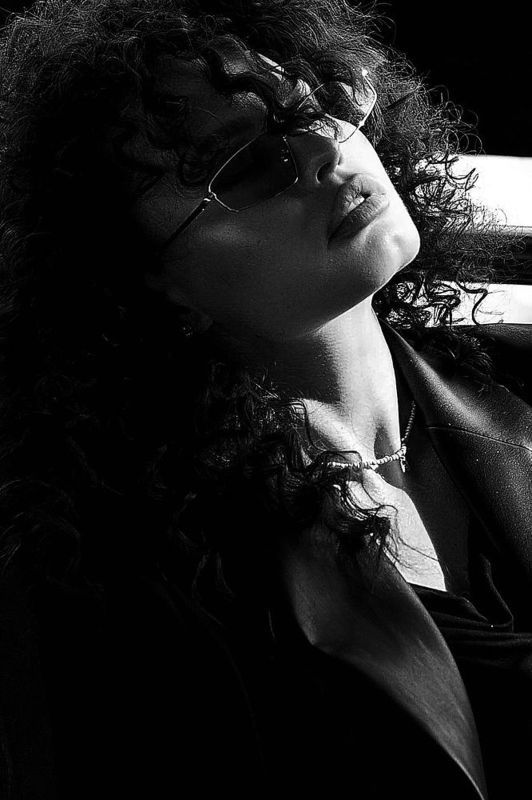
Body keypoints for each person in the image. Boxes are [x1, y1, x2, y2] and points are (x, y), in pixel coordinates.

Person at [0, 0, 530, 797]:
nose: (323, 151)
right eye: (246, 165)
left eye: (313, 108)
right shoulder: (130, 584)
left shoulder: (516, 378)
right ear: (145, 278)